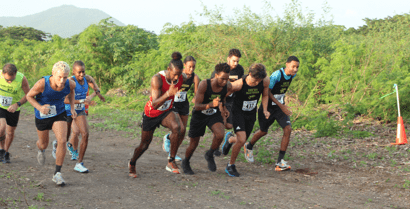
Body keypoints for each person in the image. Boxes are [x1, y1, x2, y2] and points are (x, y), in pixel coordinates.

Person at [129, 52, 187, 178]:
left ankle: (171, 161)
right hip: (152, 113)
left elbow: (187, 81)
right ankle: (132, 162)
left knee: (178, 128)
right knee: (144, 144)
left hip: (166, 111)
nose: (176, 77)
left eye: (179, 74)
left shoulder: (181, 77)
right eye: (174, 74)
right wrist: (168, 94)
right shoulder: (157, 79)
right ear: (168, 69)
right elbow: (155, 104)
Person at [244, 56, 299, 171]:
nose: (295, 69)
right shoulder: (276, 75)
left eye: (297, 67)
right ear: (287, 64)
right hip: (268, 107)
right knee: (263, 131)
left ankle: (280, 162)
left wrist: (281, 105)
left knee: (287, 129)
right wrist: (282, 106)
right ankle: (249, 145)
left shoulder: (292, 75)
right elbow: (267, 92)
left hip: (279, 108)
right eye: (293, 66)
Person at [26, 61, 77, 186]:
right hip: (42, 115)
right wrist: (40, 107)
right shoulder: (42, 83)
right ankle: (41, 149)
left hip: (59, 113)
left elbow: (71, 92)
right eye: (59, 77)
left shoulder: (70, 84)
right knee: (44, 144)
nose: (62, 80)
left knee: (62, 140)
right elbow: (29, 96)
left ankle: (57, 174)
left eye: (65, 77)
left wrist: (72, 108)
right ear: (53, 74)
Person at [52, 61, 105, 174]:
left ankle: (79, 163)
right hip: (67, 110)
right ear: (73, 72)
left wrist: (95, 95)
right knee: (64, 138)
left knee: (85, 134)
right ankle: (56, 144)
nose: (81, 74)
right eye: (79, 72)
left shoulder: (87, 78)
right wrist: (82, 100)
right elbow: (66, 100)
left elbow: (95, 86)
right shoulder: (70, 81)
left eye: (83, 72)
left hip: (80, 110)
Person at [181, 63, 230, 175]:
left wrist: (224, 108)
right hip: (199, 115)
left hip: (213, 114)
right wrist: (210, 104)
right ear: (216, 75)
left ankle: (210, 154)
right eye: (222, 79)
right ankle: (186, 161)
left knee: (220, 134)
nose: (224, 82)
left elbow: (223, 99)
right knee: (194, 144)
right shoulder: (204, 84)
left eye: (226, 79)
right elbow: (197, 106)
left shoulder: (226, 85)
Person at [221, 63, 269, 177]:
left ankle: (229, 139)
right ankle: (230, 165)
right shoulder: (239, 84)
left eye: (259, 80)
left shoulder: (265, 81)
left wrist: (265, 109)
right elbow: (224, 95)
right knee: (242, 140)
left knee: (241, 139)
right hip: (238, 113)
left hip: (251, 114)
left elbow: (265, 95)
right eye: (255, 80)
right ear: (250, 74)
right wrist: (223, 108)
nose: (257, 82)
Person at [162, 56, 200, 161]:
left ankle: (172, 151)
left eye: (194, 67)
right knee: (180, 128)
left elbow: (197, 93)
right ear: (184, 65)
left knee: (183, 132)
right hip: (174, 103)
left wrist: (196, 98)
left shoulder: (195, 77)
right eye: (189, 67)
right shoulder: (178, 75)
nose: (191, 69)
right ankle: (169, 142)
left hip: (184, 104)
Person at [211, 49, 244, 156]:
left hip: (231, 100)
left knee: (229, 125)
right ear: (228, 59)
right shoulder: (221, 69)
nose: (236, 63)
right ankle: (215, 147)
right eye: (234, 61)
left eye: (237, 61)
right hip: (219, 99)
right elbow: (213, 86)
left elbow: (240, 85)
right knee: (219, 123)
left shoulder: (240, 70)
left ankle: (228, 138)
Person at [0, 64, 30, 163]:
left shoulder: (22, 78)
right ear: (3, 73)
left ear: (15, 74)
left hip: (13, 109)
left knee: (10, 132)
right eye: (7, 80)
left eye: (11, 80)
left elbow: (28, 95)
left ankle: (6, 152)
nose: (9, 82)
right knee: (1, 128)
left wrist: (17, 104)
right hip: (0, 107)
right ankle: (1, 149)